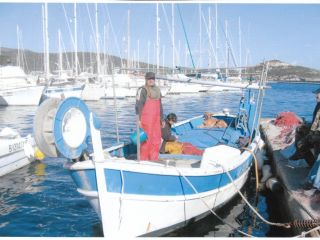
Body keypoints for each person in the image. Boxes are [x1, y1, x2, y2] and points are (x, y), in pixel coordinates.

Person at [291, 88, 320, 191]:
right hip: (315, 133)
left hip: (317, 136)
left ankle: (313, 178)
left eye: (318, 94)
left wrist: (310, 137)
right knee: (300, 135)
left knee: (302, 144)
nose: (316, 95)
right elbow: (314, 124)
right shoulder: (318, 105)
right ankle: (311, 165)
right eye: (316, 93)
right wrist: (304, 126)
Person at [135, 72, 164, 161]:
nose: (151, 80)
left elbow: (160, 105)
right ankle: (143, 159)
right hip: (146, 120)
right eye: (149, 79)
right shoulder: (143, 90)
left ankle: (153, 159)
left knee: (156, 139)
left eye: (153, 79)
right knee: (146, 140)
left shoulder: (158, 90)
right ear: (146, 79)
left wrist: (162, 119)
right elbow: (138, 105)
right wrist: (139, 120)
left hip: (156, 119)